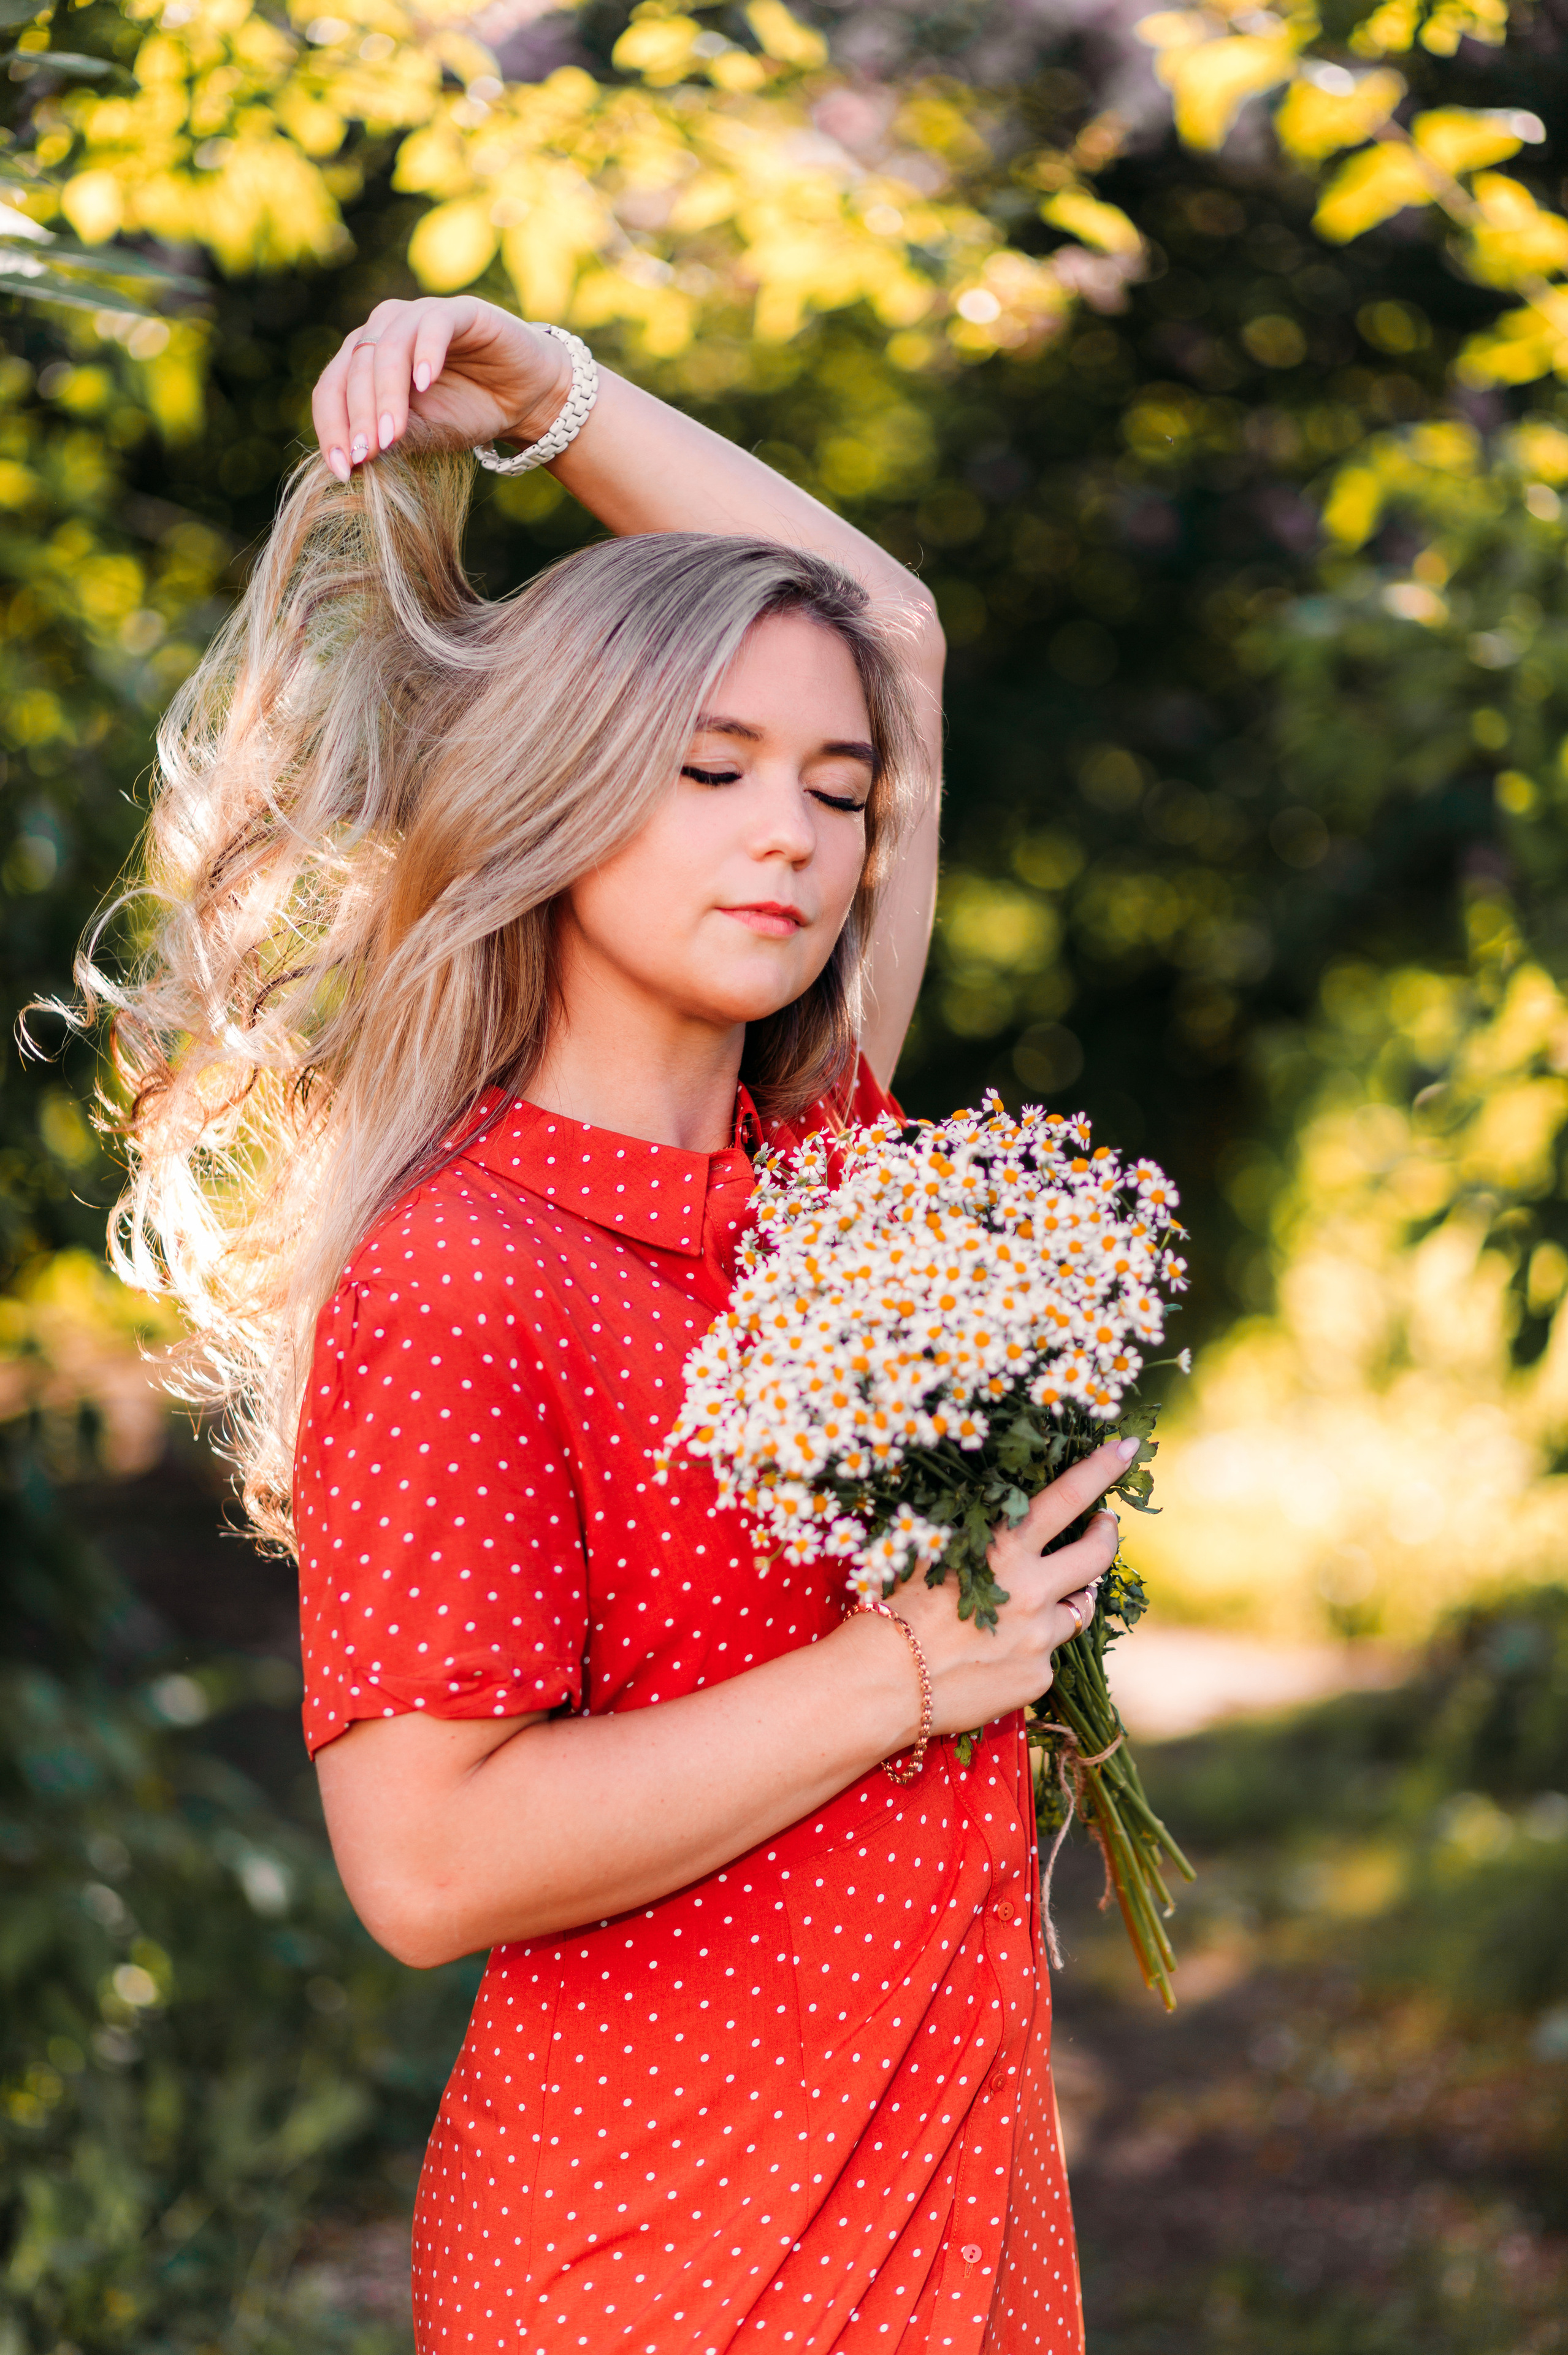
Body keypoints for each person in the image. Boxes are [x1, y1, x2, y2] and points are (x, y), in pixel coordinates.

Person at [87, 297, 1128, 2353]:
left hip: (947, 2189)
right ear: (561, 797)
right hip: (668, 2254)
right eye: (709, 767)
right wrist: (903, 1672)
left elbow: (890, 633)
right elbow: (425, 1859)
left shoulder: (830, 1183)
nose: (797, 835)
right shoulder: (466, 1270)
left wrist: (547, 390)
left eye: (835, 795)